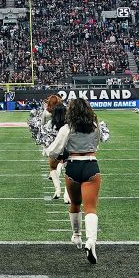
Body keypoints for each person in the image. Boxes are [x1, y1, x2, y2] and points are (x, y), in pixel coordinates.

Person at [43, 97, 106, 264]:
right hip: (91, 166)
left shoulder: (67, 128)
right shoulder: (95, 126)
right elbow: (97, 144)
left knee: (75, 204)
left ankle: (77, 236)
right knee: (91, 207)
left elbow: (53, 151)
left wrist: (47, 148)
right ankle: (91, 241)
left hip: (72, 167)